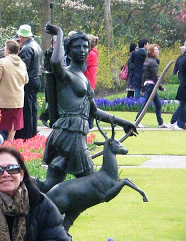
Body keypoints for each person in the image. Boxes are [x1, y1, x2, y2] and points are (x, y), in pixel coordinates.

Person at [36, 24, 137, 193]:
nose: (82, 50)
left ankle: (25, 194)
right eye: (77, 47)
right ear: (68, 51)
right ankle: (65, 217)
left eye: (85, 46)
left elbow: (94, 112)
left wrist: (123, 122)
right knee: (93, 182)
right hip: (70, 134)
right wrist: (60, 33)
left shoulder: (84, 78)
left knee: (49, 185)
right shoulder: (66, 75)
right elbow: (55, 62)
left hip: (70, 133)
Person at [0, 40, 28, 141]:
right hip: (18, 99)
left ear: (7, 50)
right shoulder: (22, 64)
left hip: (4, 99)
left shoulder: (2, 62)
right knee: (13, 124)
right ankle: (10, 142)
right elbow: (26, 80)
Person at [15, 24, 43, 140]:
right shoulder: (36, 45)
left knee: (27, 109)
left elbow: (22, 67)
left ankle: (27, 134)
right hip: (36, 79)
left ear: (22, 36)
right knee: (33, 108)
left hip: (29, 80)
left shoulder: (27, 48)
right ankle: (32, 132)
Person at [136, 44, 167, 128]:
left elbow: (144, 76)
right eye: (155, 49)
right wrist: (160, 87)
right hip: (151, 85)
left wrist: (143, 87)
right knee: (147, 105)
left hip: (148, 85)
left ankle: (160, 123)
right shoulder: (153, 62)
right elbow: (155, 77)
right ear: (151, 51)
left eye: (158, 49)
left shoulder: (147, 61)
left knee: (157, 104)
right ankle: (137, 121)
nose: (158, 51)